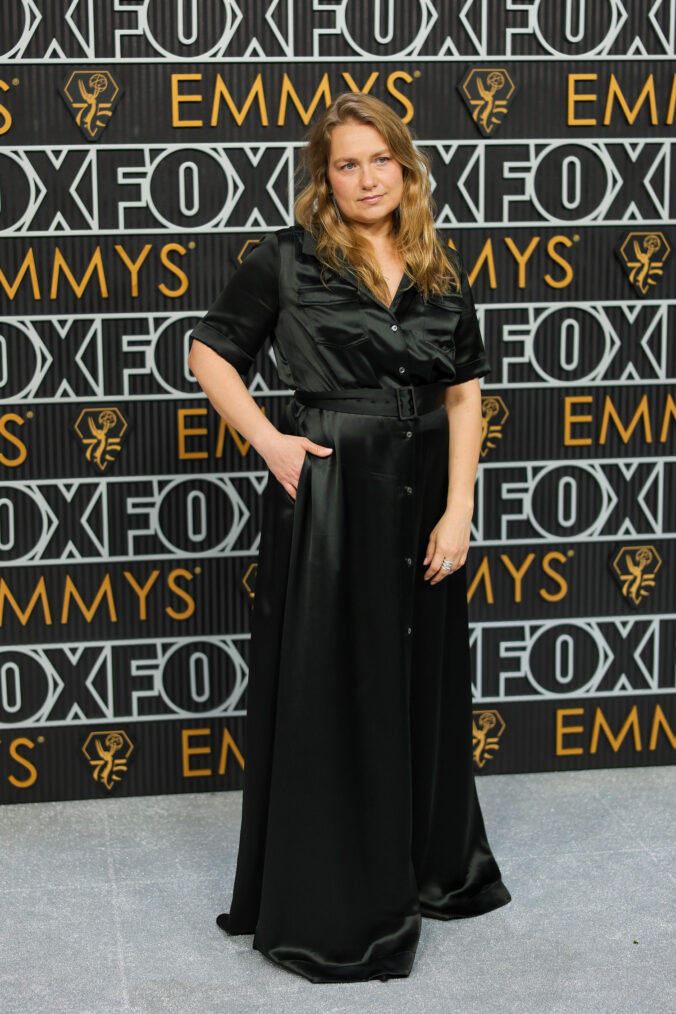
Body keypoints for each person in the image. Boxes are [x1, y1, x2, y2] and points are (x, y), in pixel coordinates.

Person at [187, 92, 511, 984]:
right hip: (332, 493)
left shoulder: (440, 268)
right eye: (346, 164)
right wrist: (269, 440)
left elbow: (464, 394)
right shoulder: (285, 262)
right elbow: (208, 351)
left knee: (421, 681)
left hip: (425, 496)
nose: (366, 178)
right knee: (336, 688)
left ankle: (426, 870)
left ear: (405, 167)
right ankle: (336, 903)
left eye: (381, 160)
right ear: (322, 179)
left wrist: (461, 510)